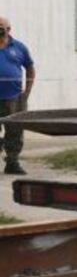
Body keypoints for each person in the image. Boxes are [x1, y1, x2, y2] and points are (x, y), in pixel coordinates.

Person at [0, 17, 34, 175]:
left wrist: (26, 92)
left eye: (1, 27)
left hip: (14, 97)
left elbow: (30, 69)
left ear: (9, 29)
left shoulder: (19, 47)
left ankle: (12, 162)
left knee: (15, 130)